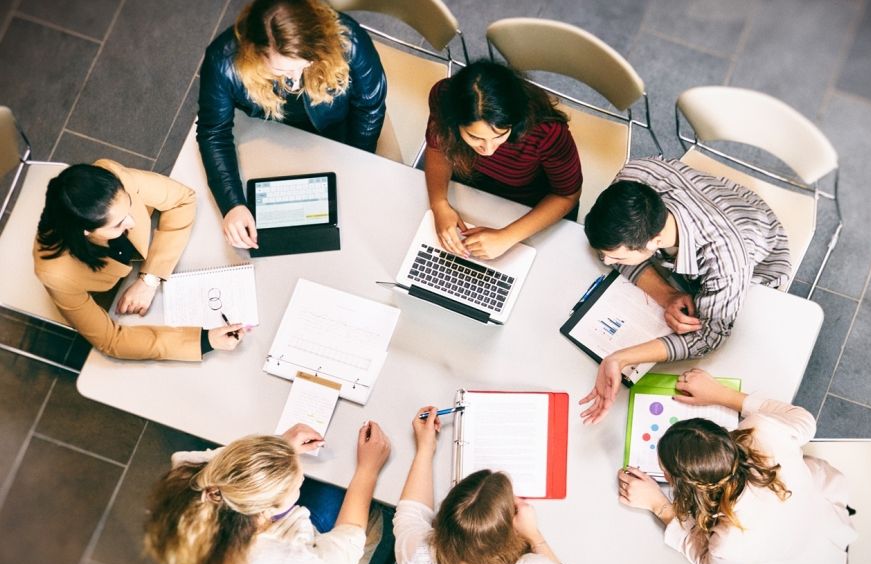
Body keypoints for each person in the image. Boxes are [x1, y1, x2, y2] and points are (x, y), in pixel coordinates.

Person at [579, 157, 791, 424]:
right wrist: (667, 295)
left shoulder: (726, 261)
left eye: (617, 258)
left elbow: (710, 337)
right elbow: (610, 252)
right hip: (717, 209)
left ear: (654, 243)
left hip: (759, 265)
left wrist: (620, 357)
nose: (606, 261)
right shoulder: (634, 175)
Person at [617, 368, 856, 564]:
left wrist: (660, 507)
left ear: (689, 488)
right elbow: (804, 421)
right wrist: (723, 395)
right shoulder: (761, 429)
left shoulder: (729, 542)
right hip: (817, 512)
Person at [198, 0, 387, 250]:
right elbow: (213, 133)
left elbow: (369, 106)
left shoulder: (347, 39)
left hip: (339, 128)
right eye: (281, 69)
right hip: (274, 131)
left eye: (305, 63)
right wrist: (232, 204)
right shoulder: (223, 61)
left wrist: (356, 158)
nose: (296, 78)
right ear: (254, 52)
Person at [144, 421, 391, 564]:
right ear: (267, 509)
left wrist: (277, 450)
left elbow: (201, 462)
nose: (301, 477)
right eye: (297, 482)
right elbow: (348, 542)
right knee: (347, 494)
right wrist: (367, 469)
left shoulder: (190, 486)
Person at [34, 160, 246, 361]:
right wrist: (204, 341)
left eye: (129, 206)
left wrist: (149, 279)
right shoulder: (57, 275)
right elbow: (110, 340)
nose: (132, 221)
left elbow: (183, 199)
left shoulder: (114, 177)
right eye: (118, 224)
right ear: (87, 232)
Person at [393, 406, 580, 564]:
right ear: (511, 535)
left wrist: (425, 448)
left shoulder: (418, 557)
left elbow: (410, 513)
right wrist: (534, 535)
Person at [425, 60, 582, 260]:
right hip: (469, 190)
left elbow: (567, 196)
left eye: (500, 135)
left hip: (524, 207)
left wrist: (507, 237)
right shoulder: (443, 97)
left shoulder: (546, 131)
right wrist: (439, 204)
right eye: (475, 137)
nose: (488, 149)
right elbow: (438, 147)